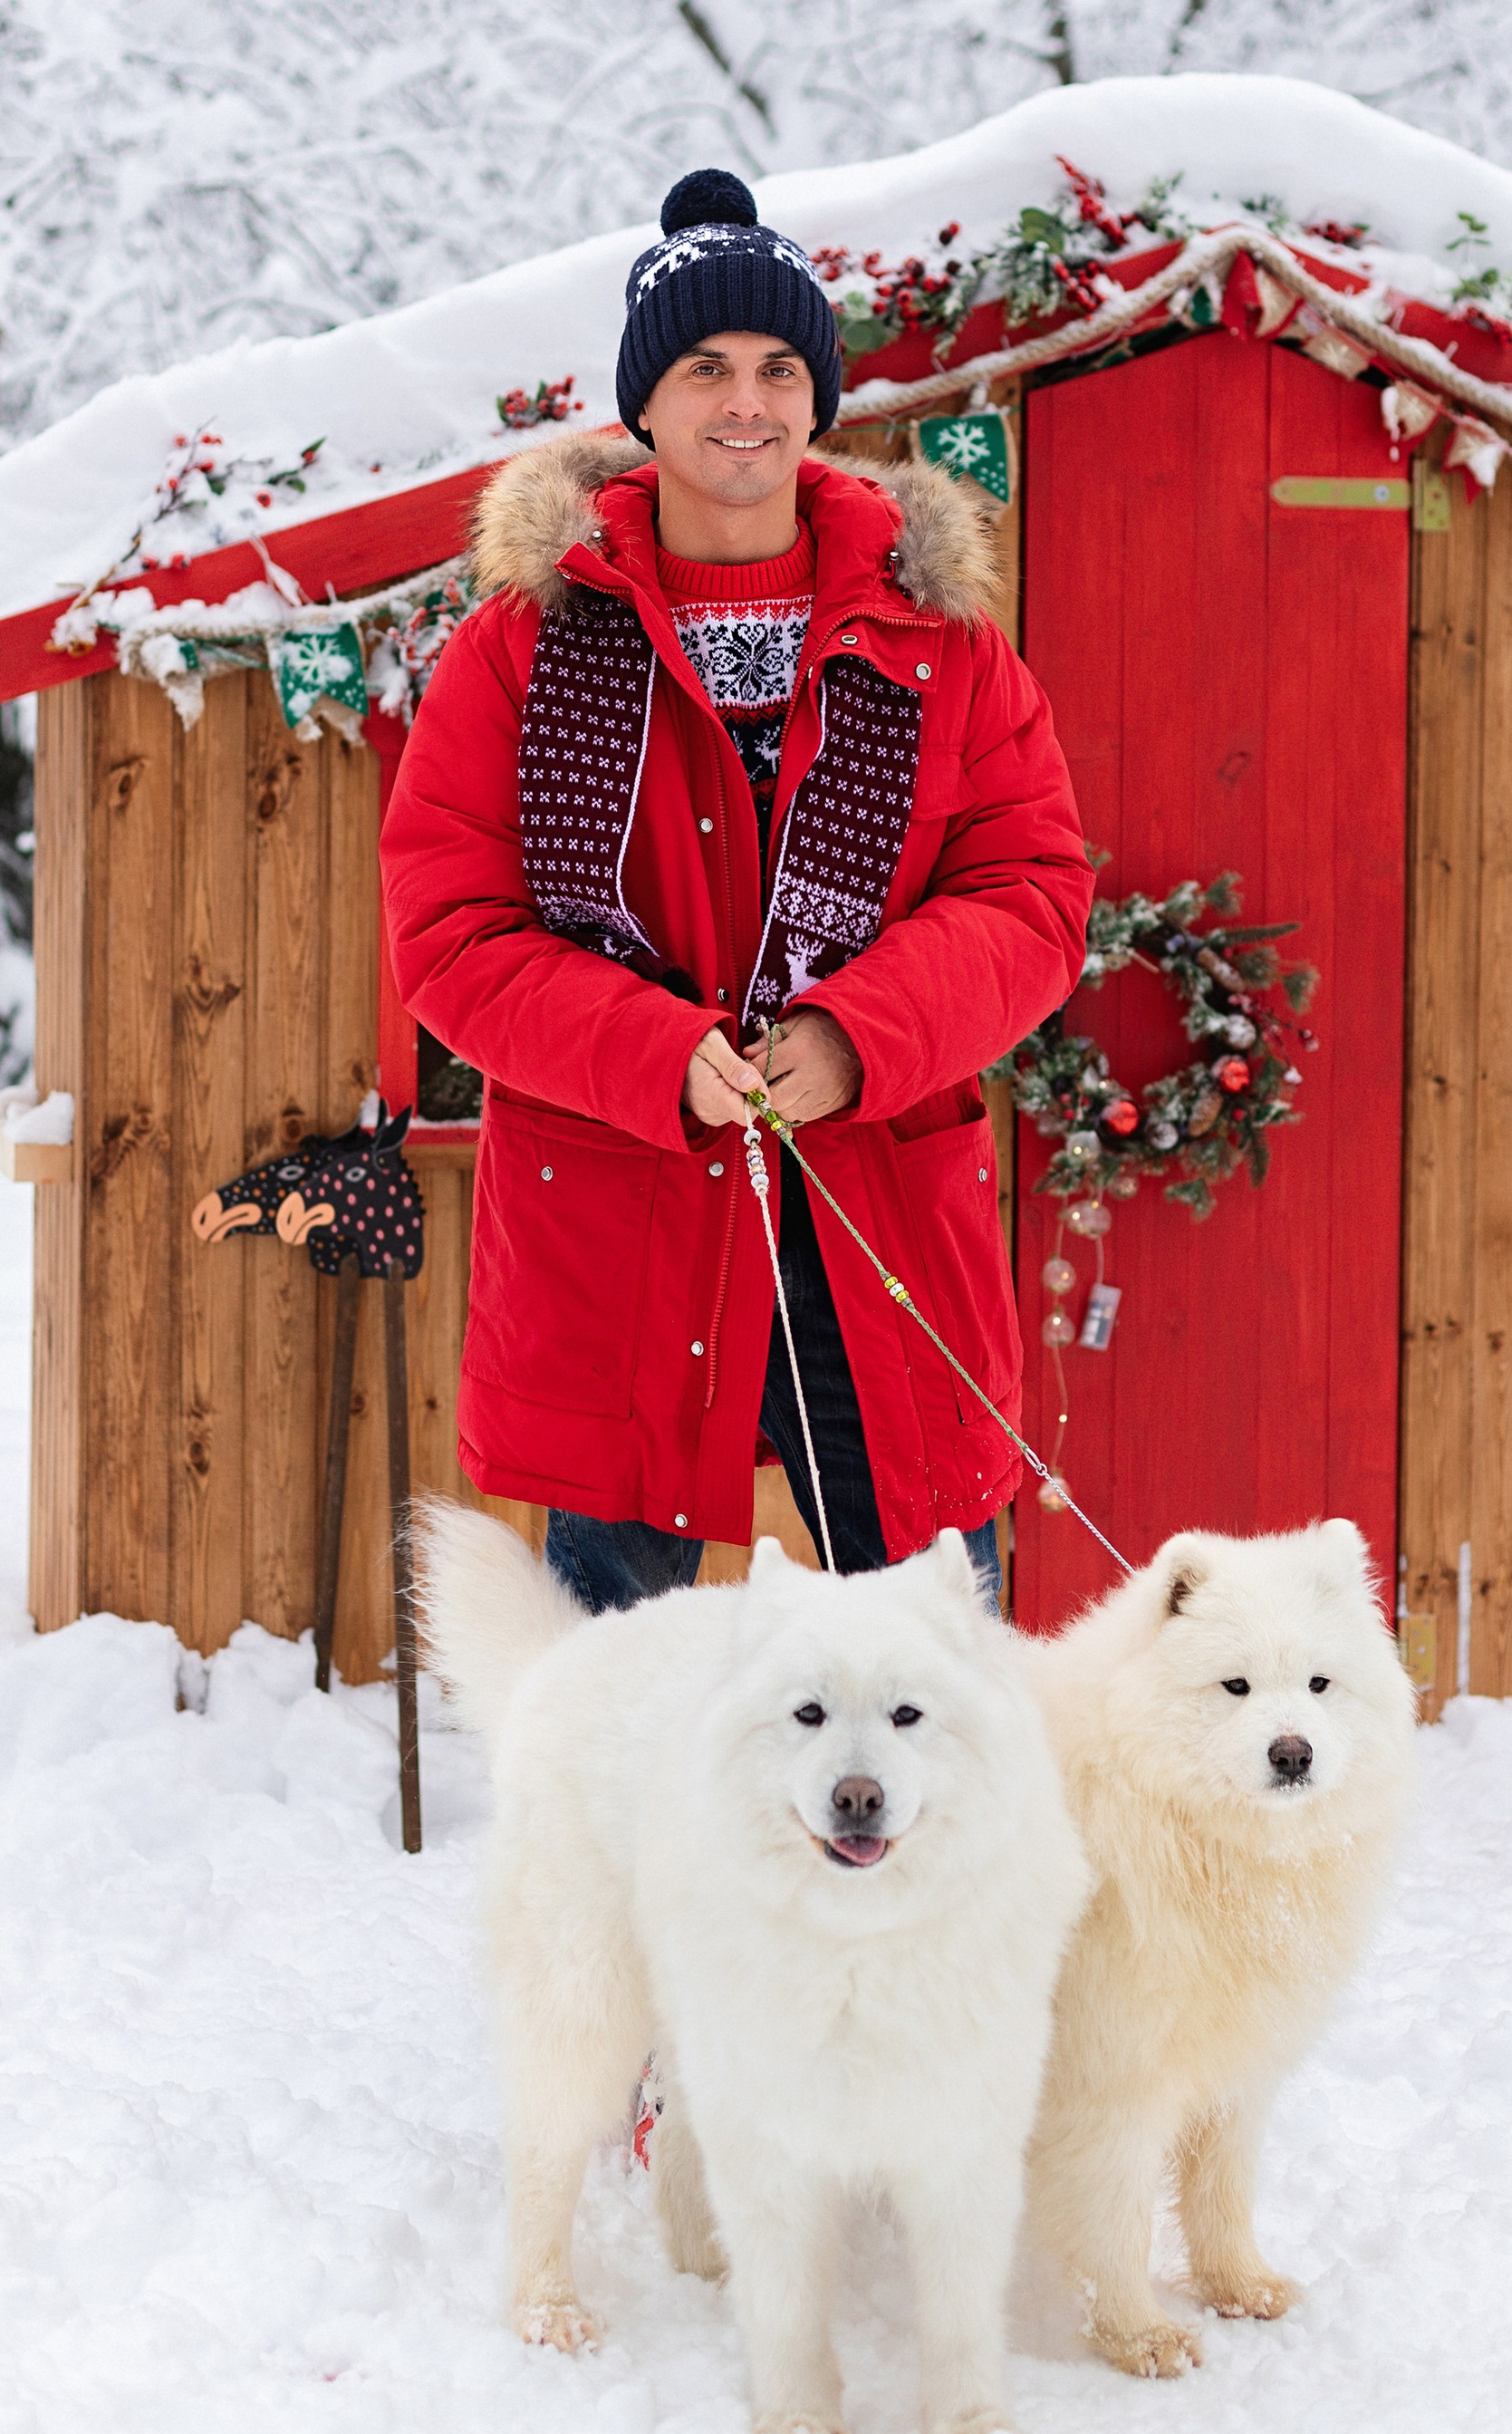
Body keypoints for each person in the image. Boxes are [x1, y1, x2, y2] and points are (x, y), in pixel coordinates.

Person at [380, 167, 1093, 1618]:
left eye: (778, 368)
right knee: (605, 1678)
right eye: (705, 369)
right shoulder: (527, 649)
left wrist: (859, 1034)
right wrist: (656, 1054)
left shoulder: (940, 640)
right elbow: (451, 935)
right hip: (621, 1221)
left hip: (875, 1199)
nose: (745, 403)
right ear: (644, 405)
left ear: (819, 399)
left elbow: (1031, 896)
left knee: (935, 1672)